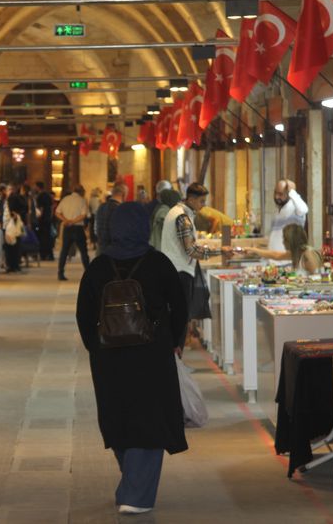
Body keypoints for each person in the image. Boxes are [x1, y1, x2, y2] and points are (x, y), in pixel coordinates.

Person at [76, 202, 189, 515]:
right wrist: (173, 342)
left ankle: (132, 481)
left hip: (109, 360)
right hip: (152, 357)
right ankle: (136, 494)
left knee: (119, 416)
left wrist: (96, 348)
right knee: (150, 418)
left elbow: (84, 314)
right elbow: (179, 307)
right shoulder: (159, 263)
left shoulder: (98, 267)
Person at [160, 183, 231, 322]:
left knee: (177, 316)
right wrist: (220, 251)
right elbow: (192, 250)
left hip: (173, 270)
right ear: (191, 200)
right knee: (180, 318)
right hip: (179, 272)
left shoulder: (177, 211)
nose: (203, 205)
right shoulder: (182, 217)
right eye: (201, 201)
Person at [244, 223, 323, 275]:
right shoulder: (296, 253)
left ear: (291, 240)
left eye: (285, 239)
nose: (283, 242)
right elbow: (276, 255)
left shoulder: (307, 254)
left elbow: (317, 278)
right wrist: (253, 250)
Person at [56, 185, 91, 281]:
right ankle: (88, 273)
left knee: (64, 251)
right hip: (78, 228)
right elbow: (84, 215)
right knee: (83, 251)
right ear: (81, 192)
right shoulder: (82, 200)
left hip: (67, 228)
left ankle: (60, 273)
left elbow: (57, 212)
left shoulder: (65, 199)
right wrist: (73, 221)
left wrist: (66, 220)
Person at [268, 179, 308, 252]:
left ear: (289, 193)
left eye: (280, 194)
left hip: (287, 258)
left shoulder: (295, 208)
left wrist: (293, 192)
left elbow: (304, 210)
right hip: (274, 258)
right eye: (275, 192)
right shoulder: (277, 211)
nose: (276, 197)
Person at [95, 183, 128, 256]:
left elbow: (96, 228)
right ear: (123, 195)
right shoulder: (120, 209)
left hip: (101, 248)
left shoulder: (101, 207)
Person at [4, 183, 29, 272]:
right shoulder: (21, 198)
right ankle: (16, 265)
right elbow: (26, 209)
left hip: (11, 226)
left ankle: (12, 265)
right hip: (17, 225)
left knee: (10, 246)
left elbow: (11, 212)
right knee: (16, 245)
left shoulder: (12, 198)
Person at [34, 182, 56, 260]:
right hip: (48, 219)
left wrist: (38, 217)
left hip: (42, 220)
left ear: (38, 187)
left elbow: (41, 208)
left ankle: (43, 254)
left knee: (42, 237)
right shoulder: (48, 195)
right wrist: (50, 217)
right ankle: (50, 255)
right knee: (48, 237)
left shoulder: (40, 196)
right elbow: (51, 207)